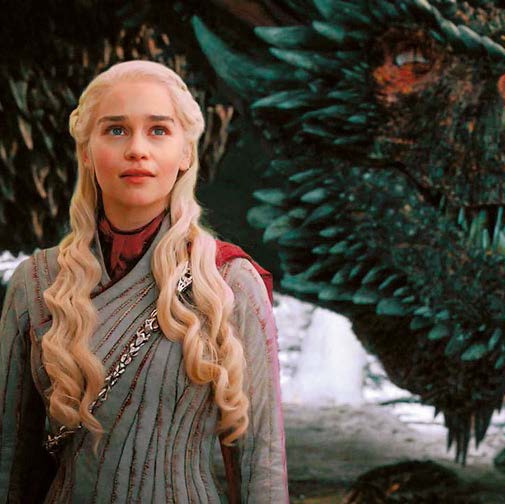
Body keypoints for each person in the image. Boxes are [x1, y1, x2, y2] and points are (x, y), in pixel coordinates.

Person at [0, 60, 289, 503]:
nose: (137, 149)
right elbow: (8, 460)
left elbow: (261, 464)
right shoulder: (36, 282)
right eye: (116, 130)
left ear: (185, 153)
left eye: (158, 130)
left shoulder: (229, 281)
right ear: (86, 151)